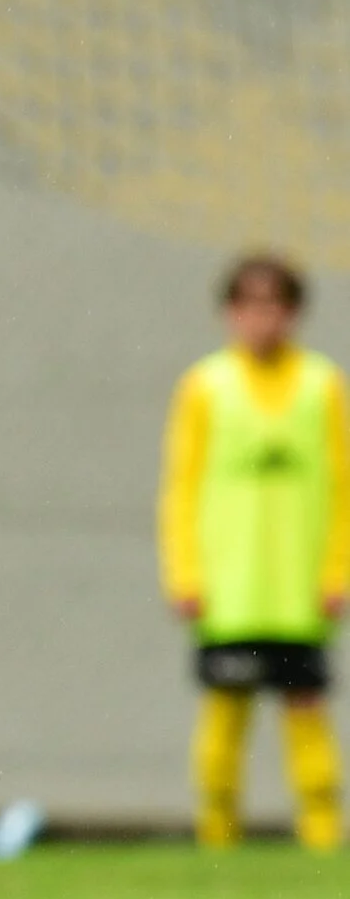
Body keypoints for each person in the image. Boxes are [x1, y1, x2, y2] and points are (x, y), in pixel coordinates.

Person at [159, 253, 346, 852]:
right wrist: (184, 572)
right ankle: (218, 839)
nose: (262, 320)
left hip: (297, 589)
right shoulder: (205, 385)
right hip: (230, 588)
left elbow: (343, 487)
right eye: (249, 306)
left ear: (293, 313)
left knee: (306, 709)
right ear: (229, 313)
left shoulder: (323, 385)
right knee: (224, 714)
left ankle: (321, 837)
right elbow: (181, 486)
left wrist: (337, 569)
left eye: (275, 306)